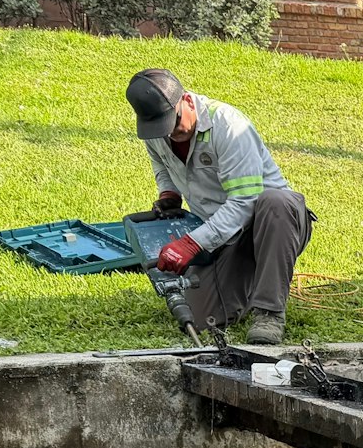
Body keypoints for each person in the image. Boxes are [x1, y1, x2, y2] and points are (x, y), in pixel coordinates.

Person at [124, 68, 312, 345]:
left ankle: (270, 312)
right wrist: (169, 193)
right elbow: (161, 164)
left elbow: (245, 202)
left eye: (174, 123)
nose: (171, 134)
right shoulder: (156, 129)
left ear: (187, 100)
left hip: (272, 225)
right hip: (222, 232)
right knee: (202, 318)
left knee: (275, 202)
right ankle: (255, 284)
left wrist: (191, 244)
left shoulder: (229, 126)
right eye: (162, 129)